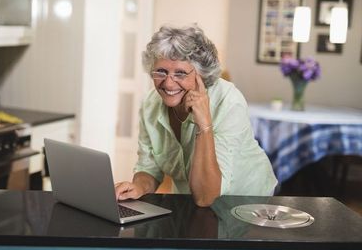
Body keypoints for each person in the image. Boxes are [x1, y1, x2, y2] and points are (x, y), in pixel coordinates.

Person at [115, 24, 278, 207]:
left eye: (180, 73)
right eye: (161, 71)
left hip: (245, 202)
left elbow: (206, 197)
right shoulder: (150, 104)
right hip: (190, 201)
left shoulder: (228, 101)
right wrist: (138, 187)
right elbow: (149, 168)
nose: (168, 84)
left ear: (201, 74)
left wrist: (204, 125)